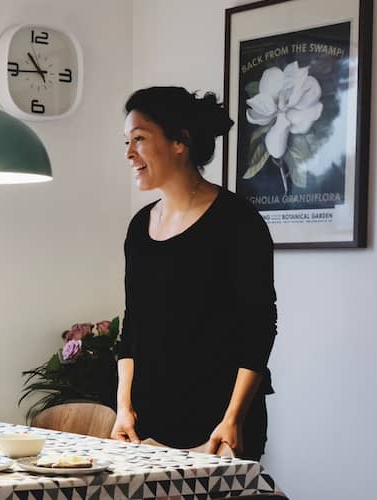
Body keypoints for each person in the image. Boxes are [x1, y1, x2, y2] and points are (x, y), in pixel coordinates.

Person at [111, 87, 277, 460]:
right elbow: (133, 326)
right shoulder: (140, 226)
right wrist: (124, 407)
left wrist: (233, 418)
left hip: (218, 424)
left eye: (139, 139)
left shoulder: (238, 221)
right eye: (126, 141)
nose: (129, 153)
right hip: (148, 423)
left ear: (180, 142)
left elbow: (259, 327)